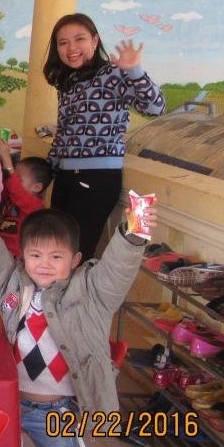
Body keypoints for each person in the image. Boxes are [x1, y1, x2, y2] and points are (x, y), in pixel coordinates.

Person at [0, 195, 155, 447]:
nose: (44, 263)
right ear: (23, 256)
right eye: (35, 255)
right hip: (7, 400)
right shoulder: (12, 282)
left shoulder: (91, 294)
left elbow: (116, 271)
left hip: (56, 410)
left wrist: (132, 234)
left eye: (56, 256)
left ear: (75, 259)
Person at [43, 13, 164, 261]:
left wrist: (135, 70)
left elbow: (156, 108)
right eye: (63, 42)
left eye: (79, 39)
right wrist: (49, 169)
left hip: (97, 179)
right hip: (65, 178)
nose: (71, 48)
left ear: (95, 41)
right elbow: (65, 130)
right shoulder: (69, 81)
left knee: (76, 253)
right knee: (55, 250)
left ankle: (73, 301)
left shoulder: (114, 73)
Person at [0, 148, 53, 258]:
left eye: (19, 179)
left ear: (37, 187)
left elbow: (17, 191)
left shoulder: (35, 205)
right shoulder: (13, 196)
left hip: (18, 255)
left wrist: (9, 165)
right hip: (3, 249)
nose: (13, 180)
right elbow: (1, 187)